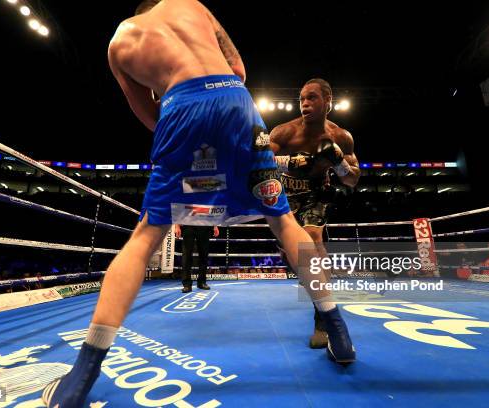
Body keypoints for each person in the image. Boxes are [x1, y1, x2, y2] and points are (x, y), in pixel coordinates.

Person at [42, 1, 355, 406]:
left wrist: (175, 103)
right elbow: (238, 70)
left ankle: (81, 378)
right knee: (283, 221)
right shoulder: (190, 5)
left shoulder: (119, 43)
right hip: (237, 103)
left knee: (145, 238)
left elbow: (150, 117)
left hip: (181, 110)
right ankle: (338, 331)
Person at [270, 78, 360, 349]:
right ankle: (317, 292)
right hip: (285, 195)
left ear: (328, 101)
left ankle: (324, 319)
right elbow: (255, 163)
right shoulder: (285, 133)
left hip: (316, 194)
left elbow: (353, 180)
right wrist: (288, 162)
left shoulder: (341, 137)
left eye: (312, 98)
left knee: (313, 238)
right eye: (302, 99)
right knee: (294, 258)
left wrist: (339, 162)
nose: (305, 103)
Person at [174, 224, 219, 292]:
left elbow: (211, 213)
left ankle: (202, 282)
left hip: (204, 225)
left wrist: (215, 226)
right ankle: (187, 285)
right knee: (186, 255)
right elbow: (178, 212)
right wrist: (177, 226)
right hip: (188, 224)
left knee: (204, 254)